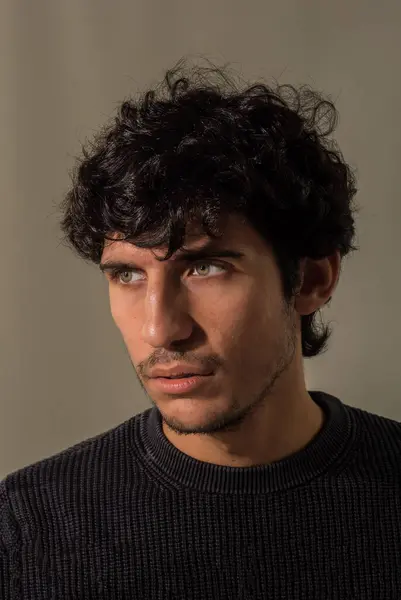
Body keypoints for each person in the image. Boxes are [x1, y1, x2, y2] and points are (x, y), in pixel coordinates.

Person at [1, 60, 400, 599]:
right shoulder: (28, 527)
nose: (161, 328)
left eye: (205, 267)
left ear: (311, 279)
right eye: (127, 274)